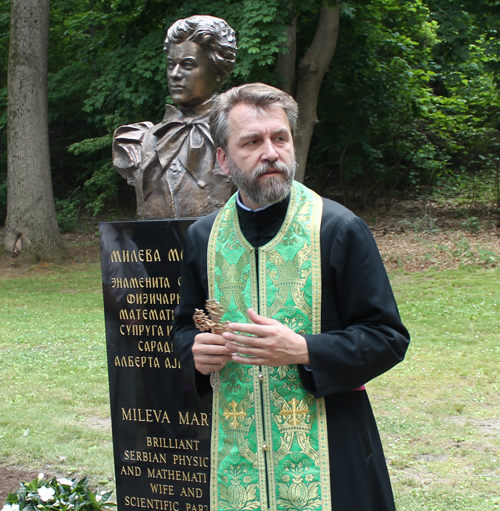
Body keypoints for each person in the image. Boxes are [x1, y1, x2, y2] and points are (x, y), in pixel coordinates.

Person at [172, 83, 410, 511]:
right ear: (224, 159)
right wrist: (196, 352)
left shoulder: (337, 228)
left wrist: (304, 349)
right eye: (252, 141)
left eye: (280, 138)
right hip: (236, 456)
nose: (271, 152)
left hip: (332, 453)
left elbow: (388, 338)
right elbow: (183, 331)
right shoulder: (203, 238)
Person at [112, 15, 237, 219]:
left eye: (187, 65)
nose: (175, 74)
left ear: (217, 72)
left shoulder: (239, 138)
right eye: (171, 65)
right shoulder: (140, 140)